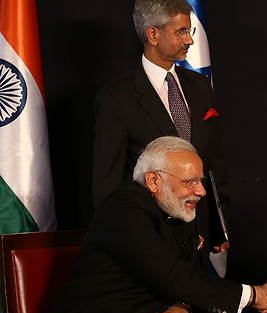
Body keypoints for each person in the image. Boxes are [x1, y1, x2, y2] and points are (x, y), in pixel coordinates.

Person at [50, 137, 267, 313]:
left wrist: (182, 308)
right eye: (190, 182)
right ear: (154, 180)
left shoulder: (179, 209)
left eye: (199, 181)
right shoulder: (123, 208)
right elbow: (171, 274)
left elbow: (193, 277)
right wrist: (255, 296)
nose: (200, 191)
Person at [92, 0, 229, 254]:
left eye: (190, 31)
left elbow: (213, 163)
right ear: (153, 34)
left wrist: (219, 226)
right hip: (150, 238)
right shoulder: (116, 98)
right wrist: (124, 239)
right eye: (180, 32)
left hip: (200, 235)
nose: (189, 40)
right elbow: (108, 184)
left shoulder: (199, 86)